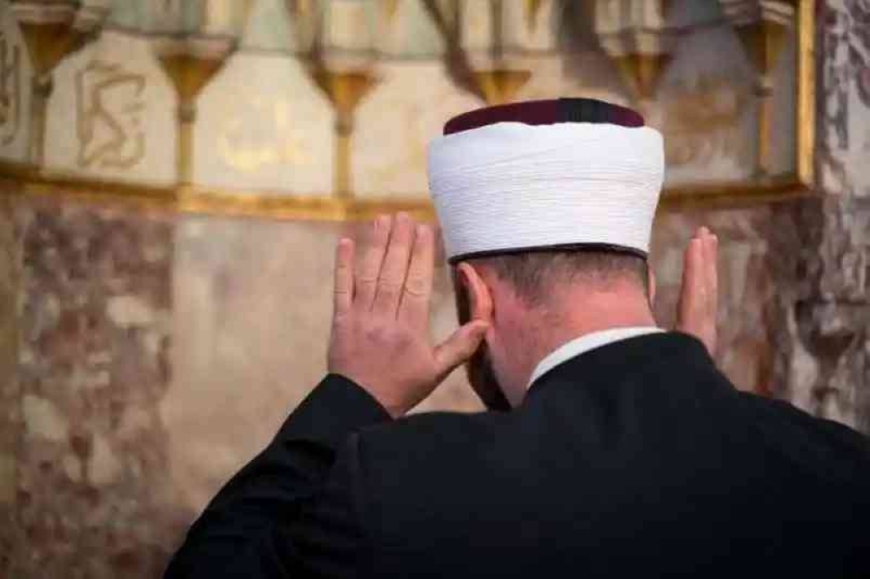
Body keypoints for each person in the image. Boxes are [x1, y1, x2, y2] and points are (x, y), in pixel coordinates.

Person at [164, 99, 870, 578]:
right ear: (649, 286)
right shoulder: (843, 467)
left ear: (474, 296)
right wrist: (686, 398)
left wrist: (352, 394)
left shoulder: (398, 484)